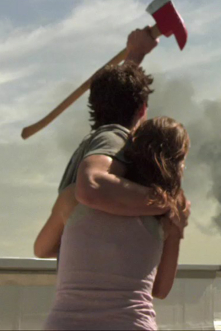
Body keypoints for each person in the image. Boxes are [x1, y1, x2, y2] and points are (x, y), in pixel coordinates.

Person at [35, 116, 190, 330]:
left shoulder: (72, 198)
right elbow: (160, 289)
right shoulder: (168, 213)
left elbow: (41, 249)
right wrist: (178, 230)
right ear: (176, 162)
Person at [57, 27, 189, 230]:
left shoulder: (97, 140)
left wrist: (136, 53)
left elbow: (118, 91)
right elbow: (91, 185)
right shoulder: (114, 138)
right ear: (143, 108)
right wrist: (165, 202)